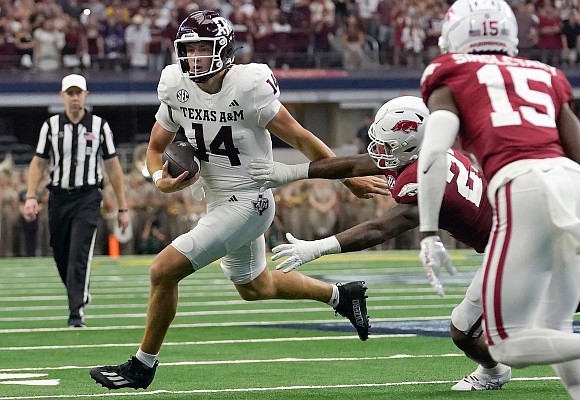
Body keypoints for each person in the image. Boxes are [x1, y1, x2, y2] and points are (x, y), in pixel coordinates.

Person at [89, 10, 388, 390]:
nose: (193, 57)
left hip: (250, 201)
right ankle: (341, 296)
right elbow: (154, 148)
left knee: (163, 270)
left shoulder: (248, 87)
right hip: (217, 201)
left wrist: (348, 179)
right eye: (188, 49)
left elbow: (302, 139)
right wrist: (158, 179)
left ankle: (142, 366)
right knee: (255, 287)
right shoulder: (176, 86)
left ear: (224, 50)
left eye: (201, 48)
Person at [247, 95, 580, 391]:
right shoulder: (425, 152)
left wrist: (316, 247)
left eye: (387, 146)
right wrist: (292, 172)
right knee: (489, 322)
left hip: (519, 244)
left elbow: (382, 229)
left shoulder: (422, 176)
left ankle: (494, 372)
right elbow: (357, 163)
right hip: (519, 231)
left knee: (485, 326)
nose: (378, 152)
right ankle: (495, 370)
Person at [416, 0, 580, 398]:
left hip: (521, 184)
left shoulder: (451, 72)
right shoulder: (546, 73)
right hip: (571, 182)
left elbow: (433, 155)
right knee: (556, 330)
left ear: (456, 32)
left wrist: (429, 231)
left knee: (506, 344)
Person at [23, 73, 130, 328]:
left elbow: (113, 167)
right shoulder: (50, 126)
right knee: (60, 253)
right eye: (69, 93)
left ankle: (75, 313)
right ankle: (79, 293)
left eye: (78, 93)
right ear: (62, 96)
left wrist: (122, 207)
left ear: (86, 95)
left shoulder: (99, 126)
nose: (74, 98)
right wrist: (30, 196)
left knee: (79, 253)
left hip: (88, 196)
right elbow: (38, 162)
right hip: (58, 196)